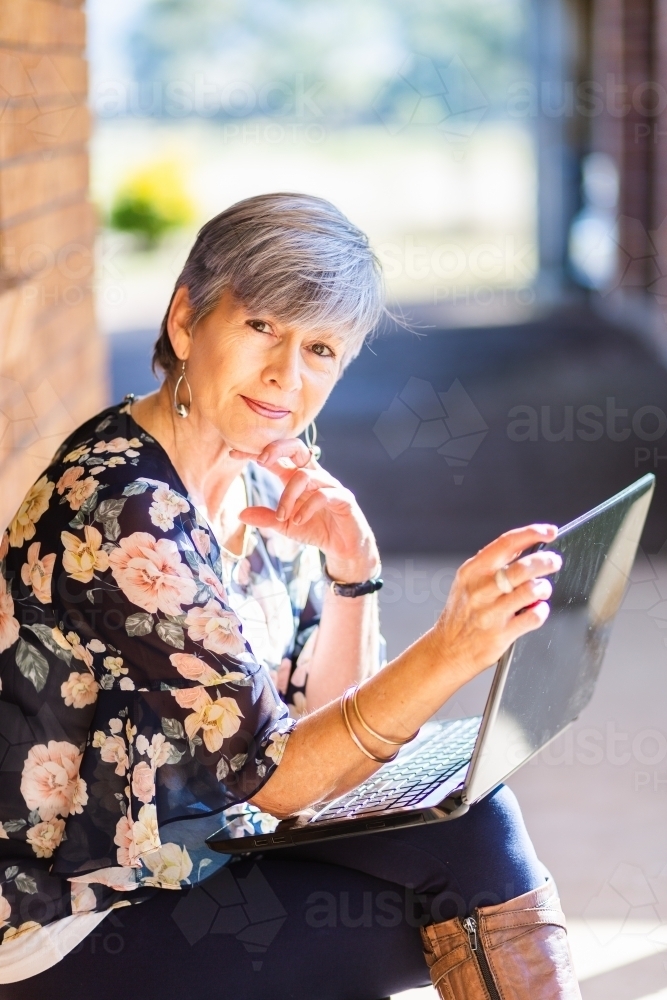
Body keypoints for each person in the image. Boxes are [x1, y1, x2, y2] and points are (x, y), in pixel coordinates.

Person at [0, 193, 581, 999]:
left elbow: (328, 736)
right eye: (261, 328)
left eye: (320, 349)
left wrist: (351, 573)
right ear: (184, 322)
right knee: (458, 896)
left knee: (473, 829)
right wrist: (451, 649)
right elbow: (282, 777)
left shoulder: (258, 474)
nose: (286, 375)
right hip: (77, 915)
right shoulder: (124, 510)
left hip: (204, 854)